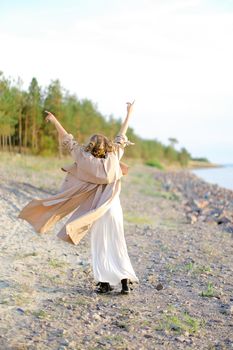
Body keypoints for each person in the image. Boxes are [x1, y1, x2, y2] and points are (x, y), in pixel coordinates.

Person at [19, 101, 139, 294]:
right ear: (108, 146)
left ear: (90, 147)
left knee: (100, 244)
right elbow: (121, 135)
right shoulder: (115, 155)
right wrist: (129, 113)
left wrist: (55, 120)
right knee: (118, 242)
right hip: (114, 208)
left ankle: (104, 283)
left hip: (96, 211)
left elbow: (67, 140)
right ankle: (125, 281)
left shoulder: (83, 159)